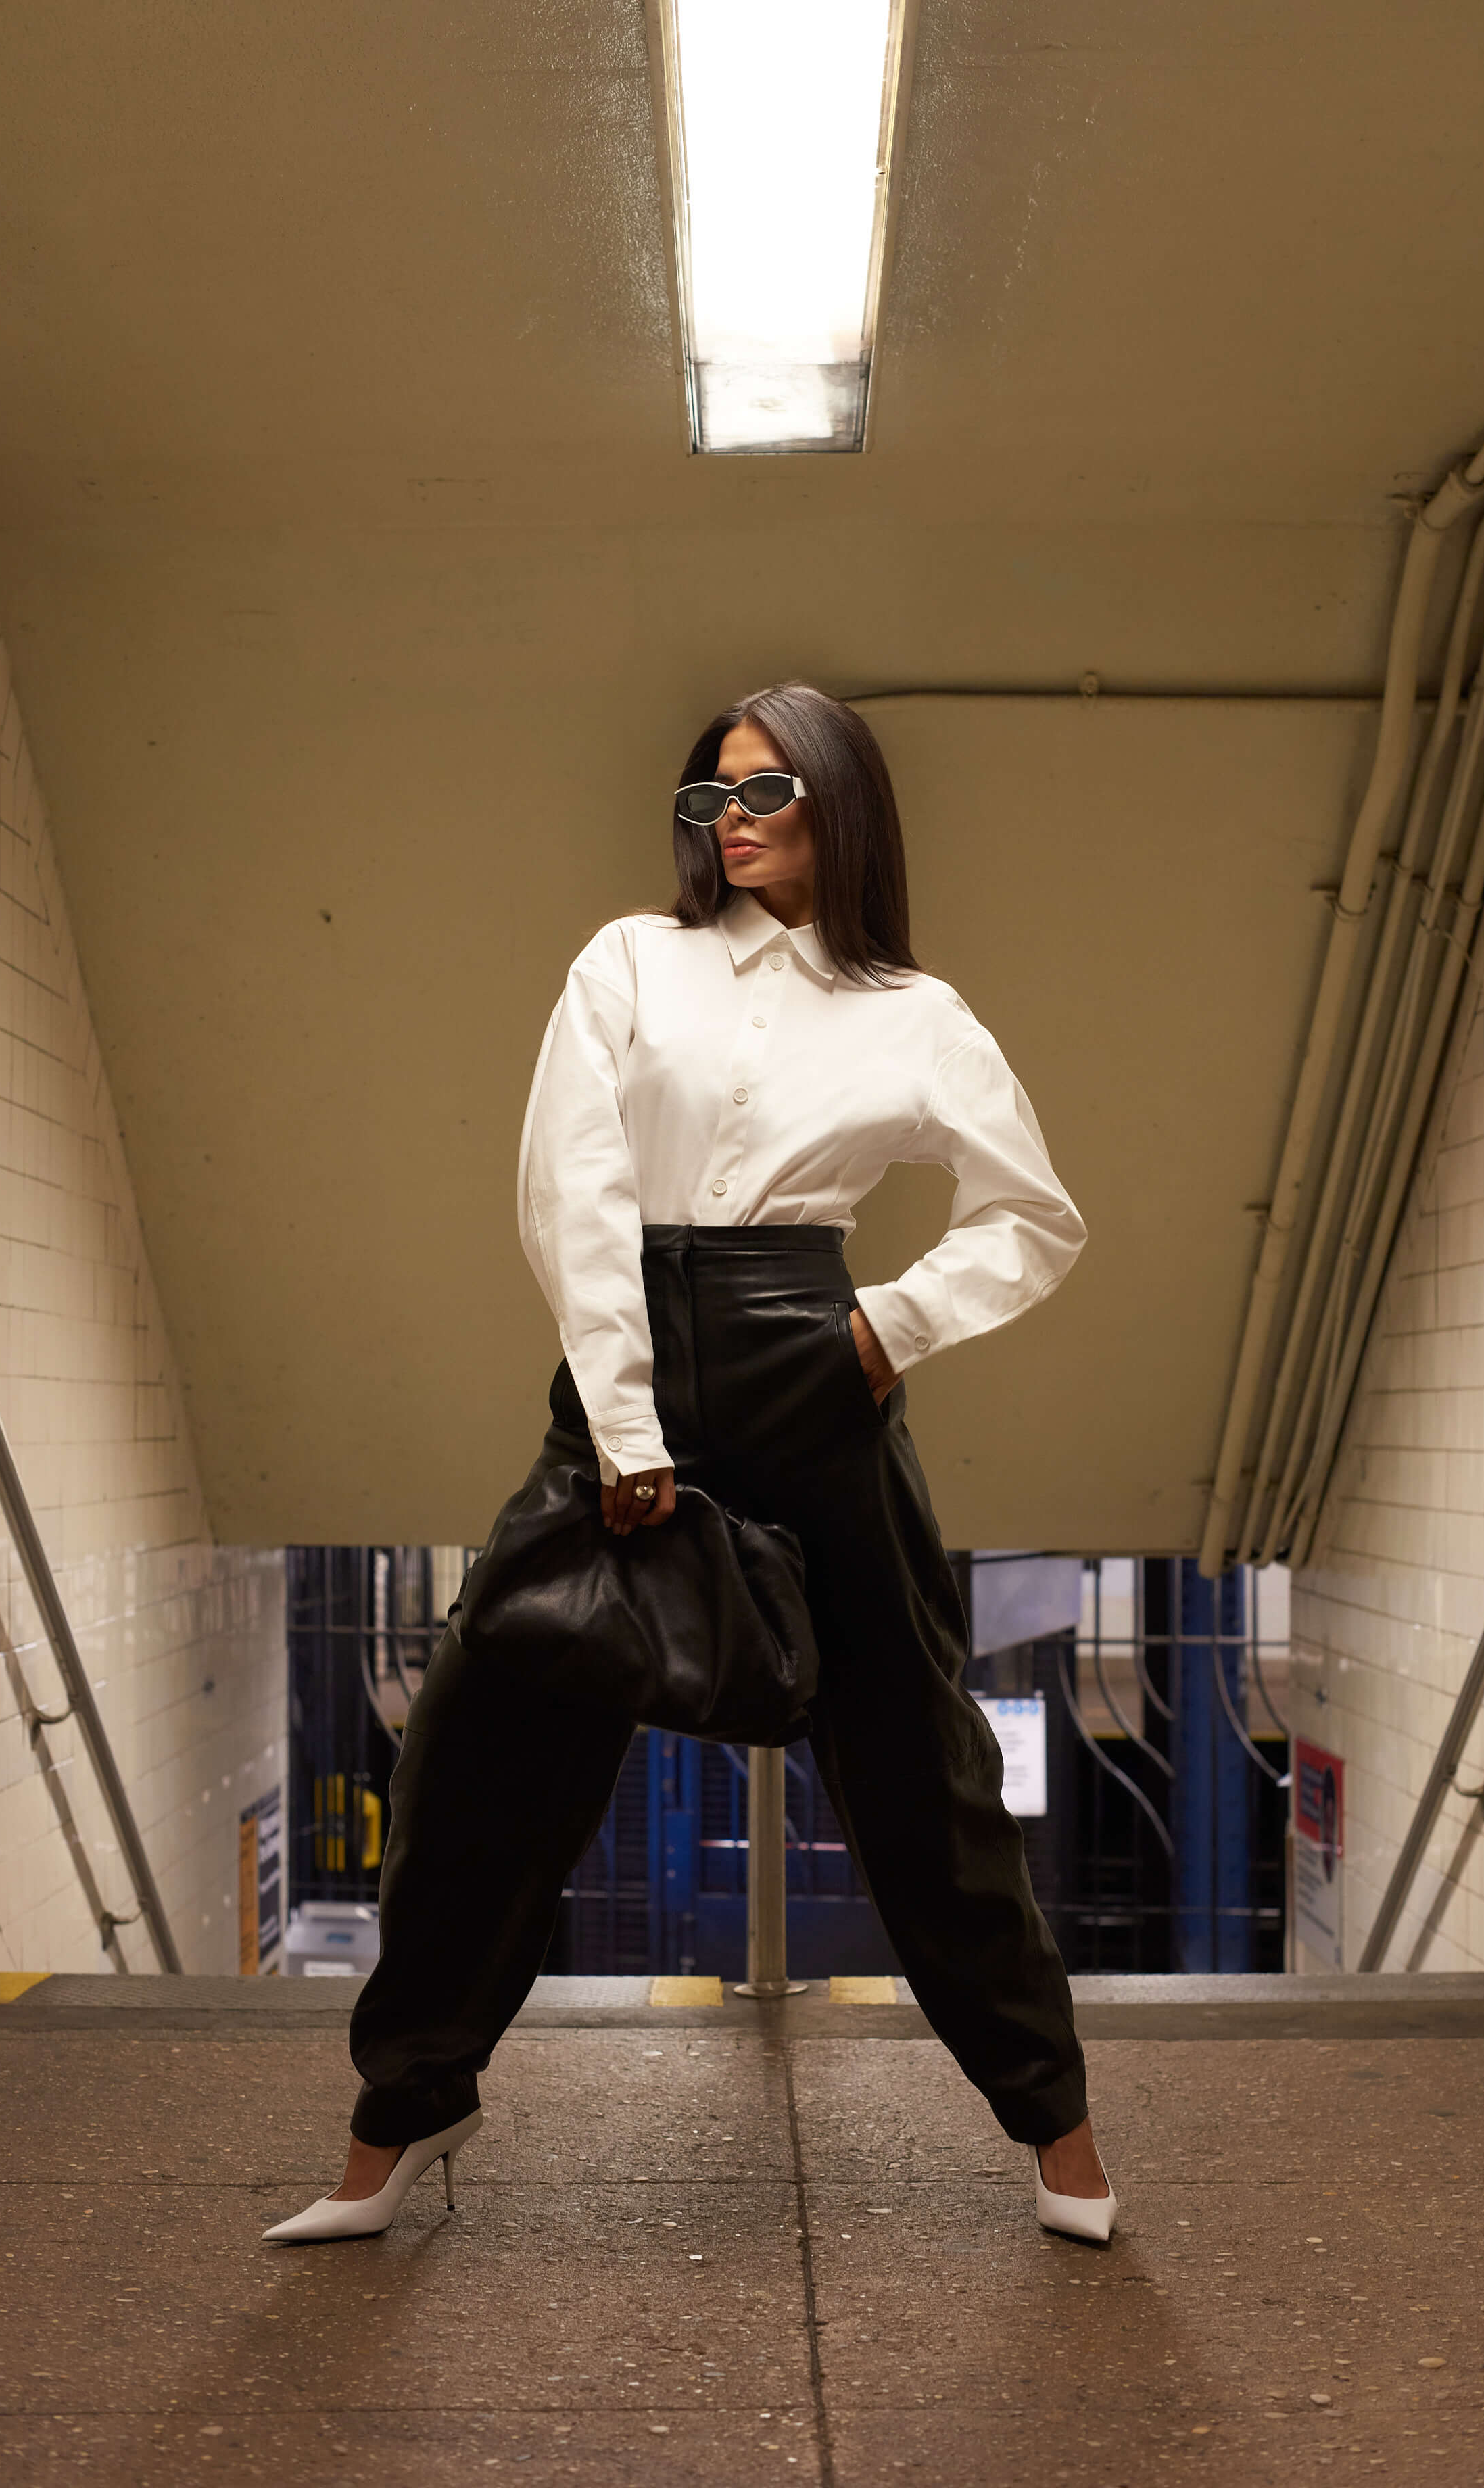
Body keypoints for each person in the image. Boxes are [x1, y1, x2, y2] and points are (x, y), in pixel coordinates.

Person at [264, 681, 1116, 2247]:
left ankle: (1055, 2124)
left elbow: (1032, 1217)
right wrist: (624, 1421)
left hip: (814, 1364)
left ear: (840, 801)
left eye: (764, 789)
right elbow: (570, 1185)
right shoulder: (629, 961)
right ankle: (406, 2113)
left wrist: (886, 1329)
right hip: (624, 1363)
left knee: (921, 1775)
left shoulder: (915, 1014)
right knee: (475, 1754)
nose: (729, 819)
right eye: (707, 795)